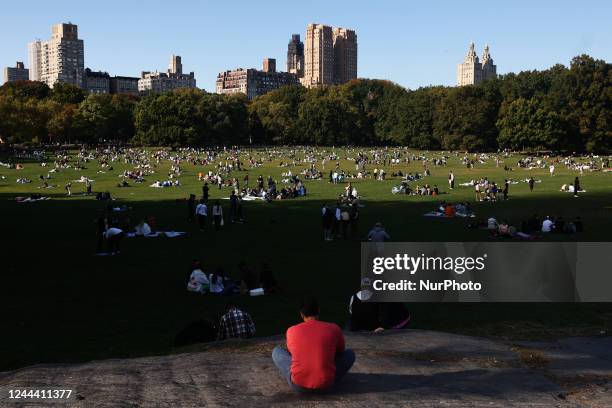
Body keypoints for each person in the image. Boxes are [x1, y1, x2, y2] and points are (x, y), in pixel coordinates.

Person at [272, 296, 355, 392]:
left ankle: (299, 375)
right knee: (350, 354)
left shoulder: (291, 330)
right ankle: (324, 375)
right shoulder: (334, 328)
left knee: (276, 351)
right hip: (327, 384)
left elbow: (292, 354)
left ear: (301, 314)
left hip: (299, 385)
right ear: (319, 311)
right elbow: (340, 352)